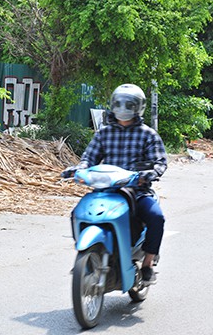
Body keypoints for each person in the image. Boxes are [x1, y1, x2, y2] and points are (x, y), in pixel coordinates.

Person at [63, 83, 167, 285]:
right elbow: (88, 158)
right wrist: (78, 169)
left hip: (136, 191)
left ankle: (147, 264)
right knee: (77, 214)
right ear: (112, 104)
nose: (123, 108)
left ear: (139, 107)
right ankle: (86, 255)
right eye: (118, 103)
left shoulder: (148, 135)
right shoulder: (103, 133)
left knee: (156, 217)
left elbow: (159, 162)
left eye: (129, 104)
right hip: (105, 190)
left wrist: (151, 173)